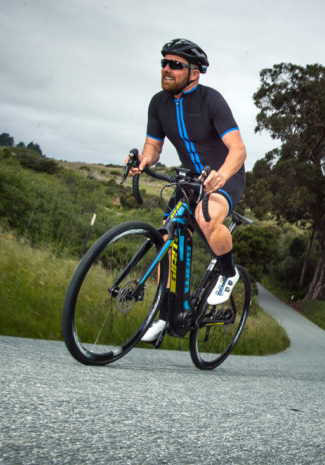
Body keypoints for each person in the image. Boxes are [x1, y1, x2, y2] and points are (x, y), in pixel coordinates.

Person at [131, 38, 247, 343]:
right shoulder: (158, 103)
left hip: (224, 176)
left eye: (175, 65)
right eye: (164, 63)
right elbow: (154, 146)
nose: (167, 69)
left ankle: (228, 271)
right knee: (167, 240)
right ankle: (165, 315)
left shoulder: (211, 100)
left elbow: (238, 150)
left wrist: (221, 176)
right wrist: (144, 160)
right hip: (189, 180)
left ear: (194, 72)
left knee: (206, 219)